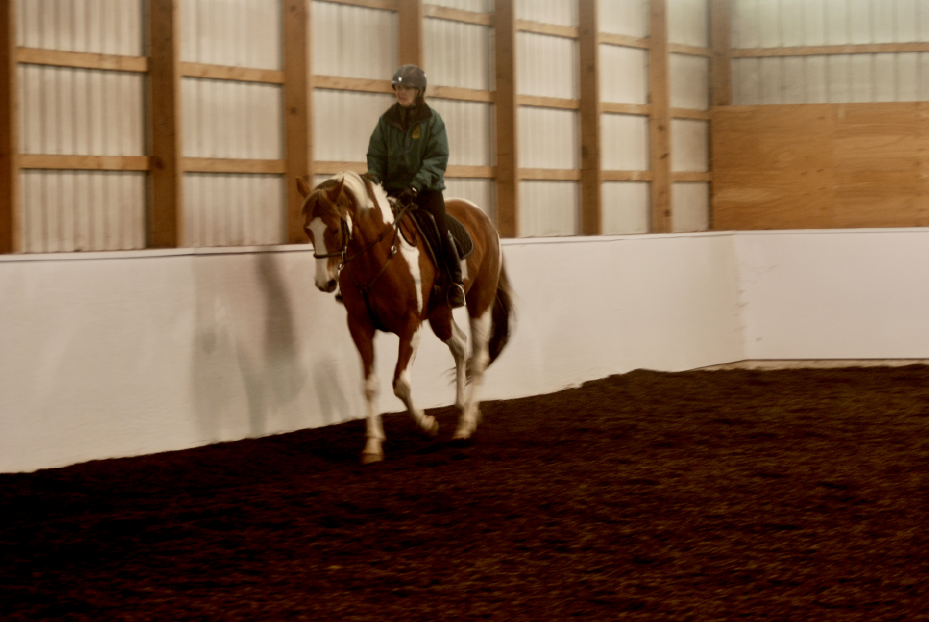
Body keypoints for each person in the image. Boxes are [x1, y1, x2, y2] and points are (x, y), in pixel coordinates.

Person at [364, 64, 465, 308]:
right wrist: (373, 179)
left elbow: (437, 158)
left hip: (425, 191)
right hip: (391, 191)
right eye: (398, 87)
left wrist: (416, 186)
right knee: (366, 229)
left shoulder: (432, 121)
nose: (402, 92)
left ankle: (455, 282)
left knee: (440, 230)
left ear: (419, 91)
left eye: (407, 88)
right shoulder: (386, 121)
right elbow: (376, 155)